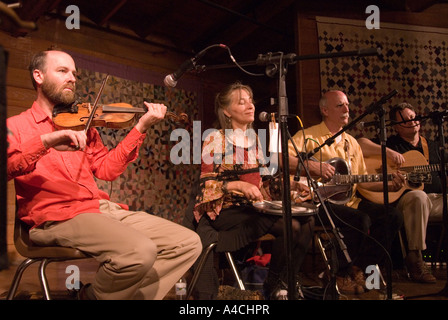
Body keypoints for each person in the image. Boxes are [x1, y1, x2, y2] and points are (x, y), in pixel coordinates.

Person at [7, 49, 202, 300]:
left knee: (187, 243)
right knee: (139, 251)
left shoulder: (83, 123)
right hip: (56, 216)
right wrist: (47, 140)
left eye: (75, 73)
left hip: (100, 209)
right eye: (63, 71)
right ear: (38, 76)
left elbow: (106, 170)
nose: (72, 78)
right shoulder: (16, 125)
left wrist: (140, 127)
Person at [191, 82, 315, 300]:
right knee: (290, 226)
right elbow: (204, 186)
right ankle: (273, 284)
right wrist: (238, 185)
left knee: (308, 221)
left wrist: (289, 185)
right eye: (242, 102)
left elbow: (260, 186)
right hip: (224, 211)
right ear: (227, 112)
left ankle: (286, 281)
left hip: (250, 209)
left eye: (250, 100)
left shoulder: (254, 140)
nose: (250, 105)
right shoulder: (215, 139)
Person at [287, 90, 404, 294]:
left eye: (347, 105)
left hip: (349, 201)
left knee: (391, 215)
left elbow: (362, 181)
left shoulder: (352, 142)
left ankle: (362, 269)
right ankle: (339, 274)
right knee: (361, 220)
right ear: (325, 110)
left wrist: (388, 184)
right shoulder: (308, 136)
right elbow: (281, 158)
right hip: (316, 200)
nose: (347, 109)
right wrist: (313, 167)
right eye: (340, 105)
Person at [358, 102, 444, 283]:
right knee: (418, 196)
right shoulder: (392, 144)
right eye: (405, 120)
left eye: (413, 118)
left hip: (437, 200)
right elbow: (360, 144)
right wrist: (387, 152)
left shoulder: (434, 147)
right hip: (407, 201)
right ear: (396, 127)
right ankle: (415, 259)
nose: (412, 122)